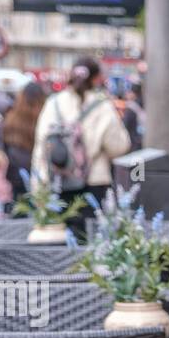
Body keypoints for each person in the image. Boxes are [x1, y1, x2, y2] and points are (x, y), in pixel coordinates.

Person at [31, 58, 130, 227]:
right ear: (96, 78)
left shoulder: (53, 103)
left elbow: (42, 145)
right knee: (93, 241)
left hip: (57, 183)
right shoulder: (102, 106)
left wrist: (37, 186)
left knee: (57, 244)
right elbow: (119, 147)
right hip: (94, 185)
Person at [0, 81, 45, 199]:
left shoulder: (10, 120)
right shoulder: (42, 120)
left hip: (14, 173)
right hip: (37, 173)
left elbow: (2, 147)